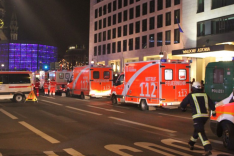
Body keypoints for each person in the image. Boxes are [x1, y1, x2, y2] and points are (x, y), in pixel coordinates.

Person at [180, 81, 216, 156]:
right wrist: (214, 112)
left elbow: (183, 104)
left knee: (200, 131)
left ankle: (208, 148)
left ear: (193, 88)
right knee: (198, 129)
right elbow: (212, 104)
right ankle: (191, 143)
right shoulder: (205, 95)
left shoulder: (191, 95)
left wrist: (183, 108)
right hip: (205, 116)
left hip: (197, 117)